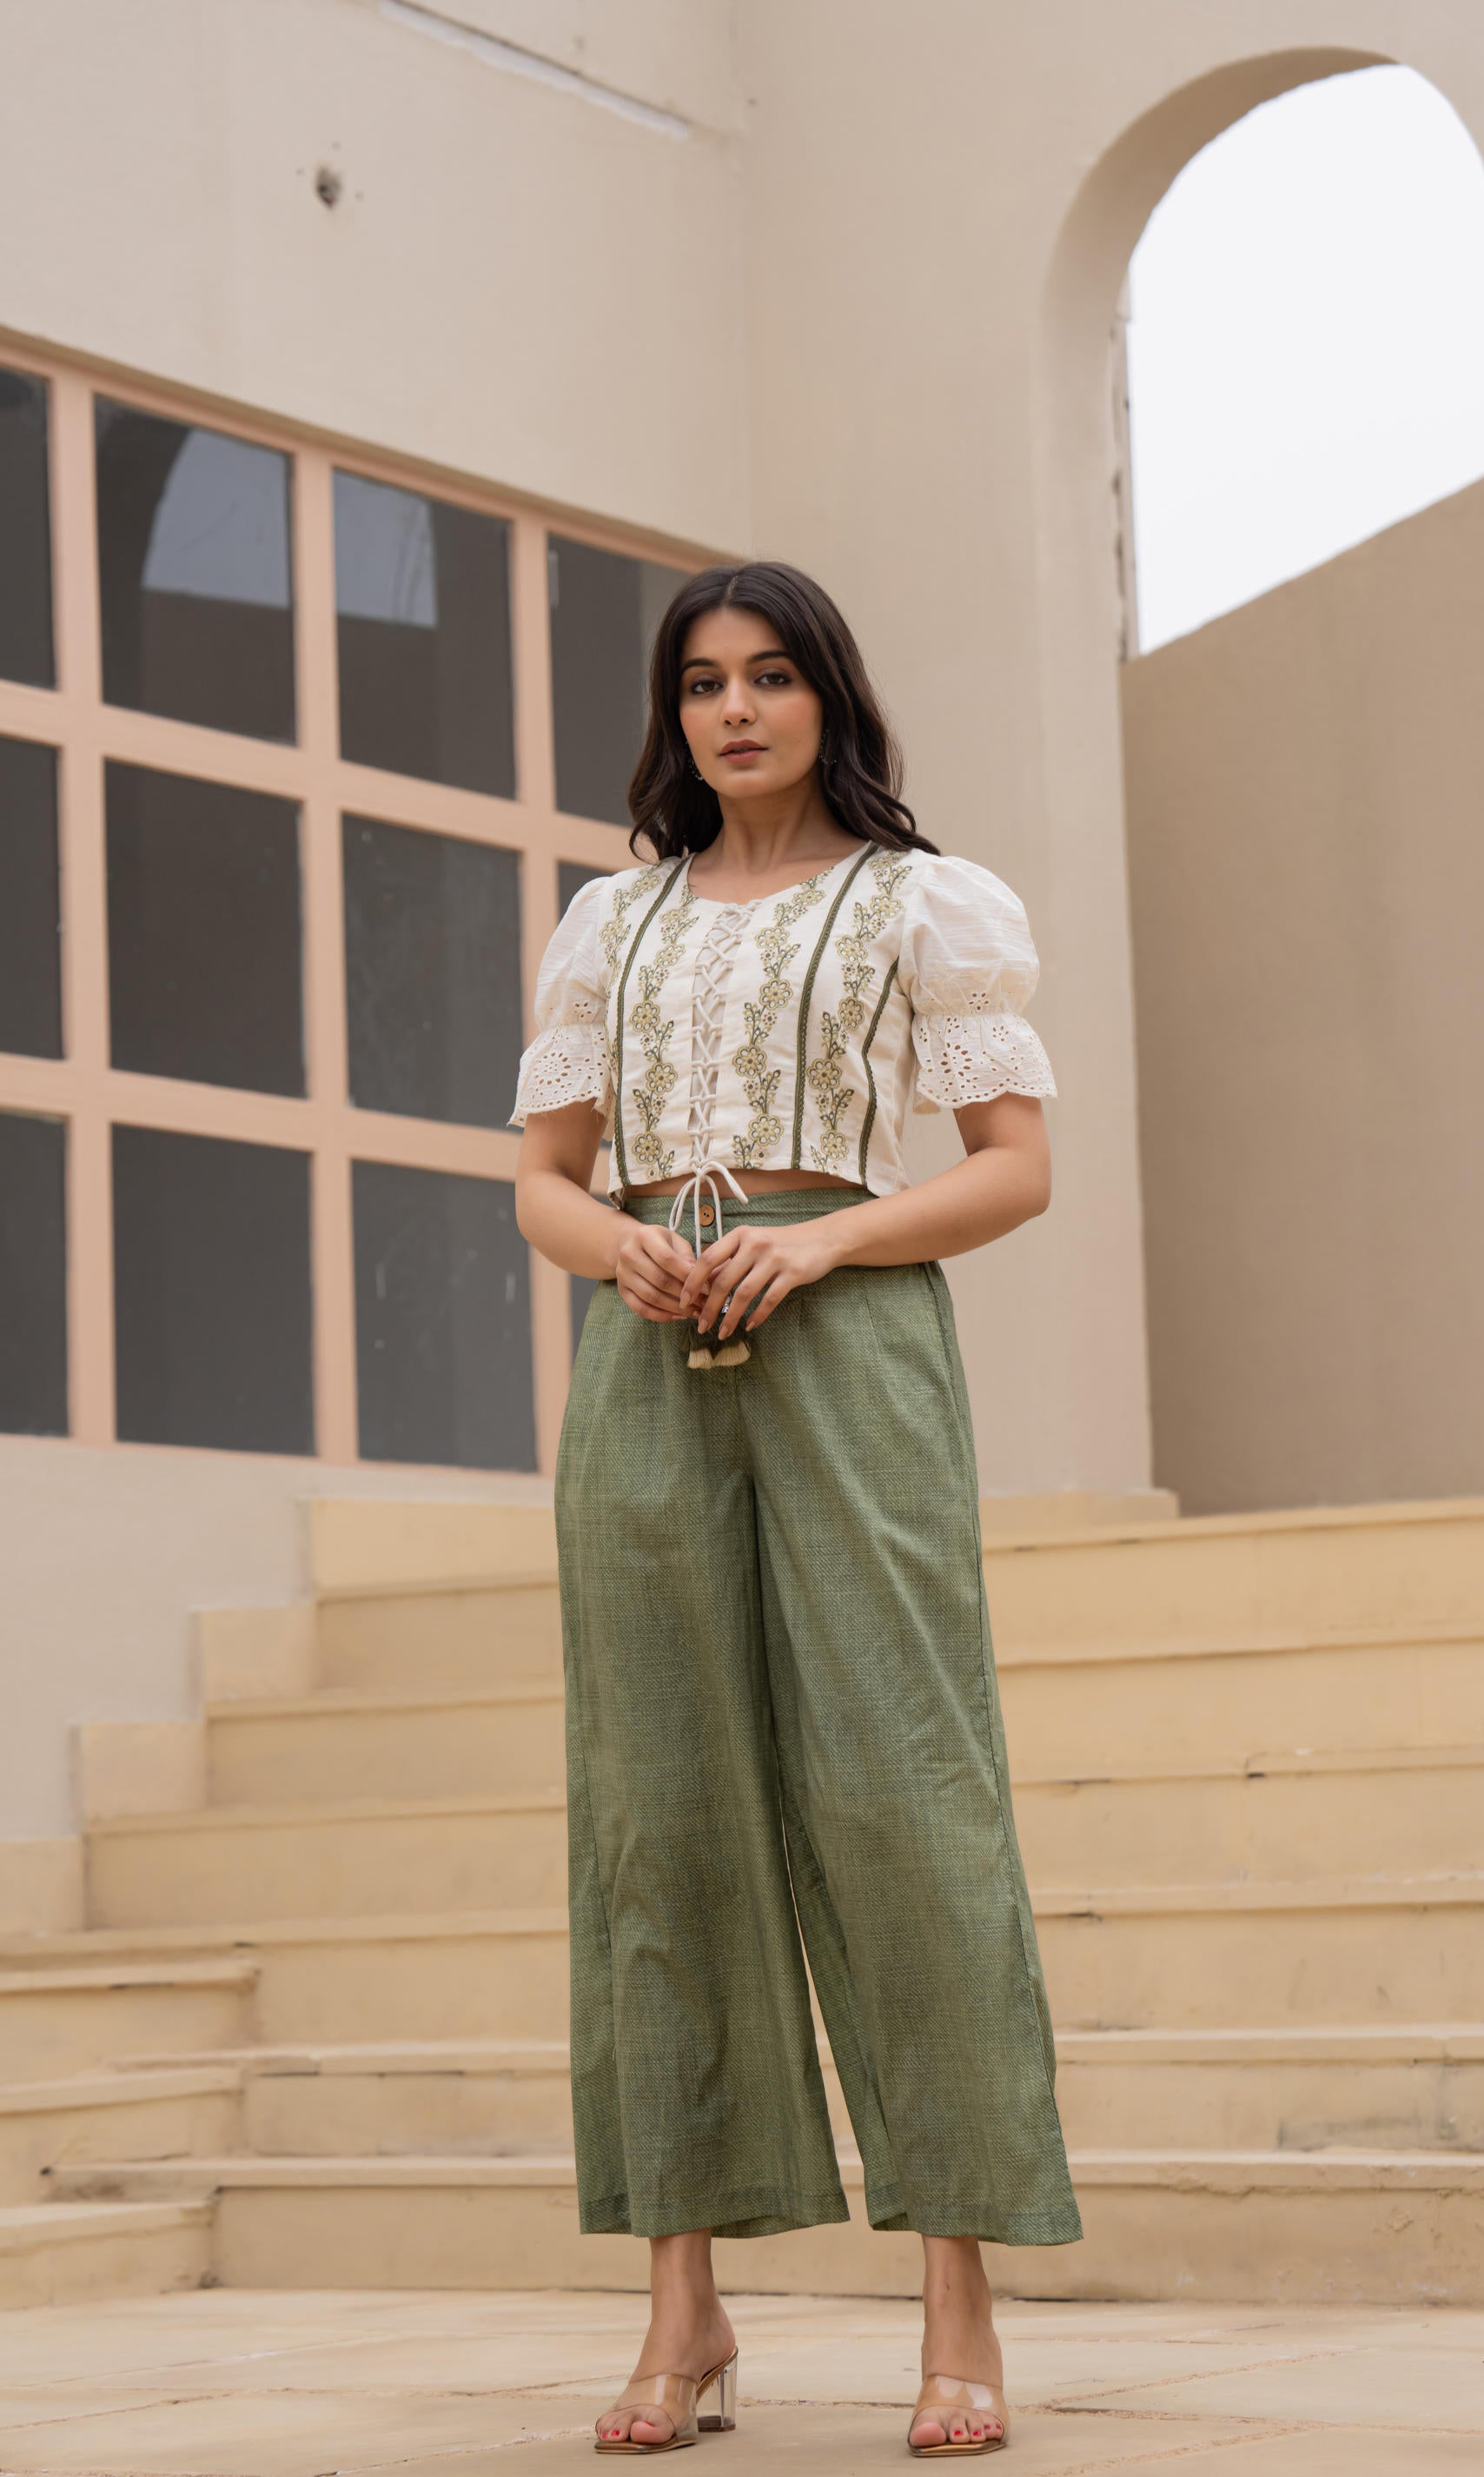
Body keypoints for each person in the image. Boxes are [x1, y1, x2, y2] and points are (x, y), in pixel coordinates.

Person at [513, 559, 1080, 2458]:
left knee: (904, 1792)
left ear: (828, 696)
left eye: (769, 676)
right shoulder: (613, 922)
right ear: (670, 714)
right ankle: (684, 2313)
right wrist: (617, 1257)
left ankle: (956, 2298)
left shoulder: (923, 904)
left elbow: (1012, 1169)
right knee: (655, 1807)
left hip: (849, 1338)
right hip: (641, 1352)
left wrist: (821, 1242)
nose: (733, 710)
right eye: (699, 683)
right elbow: (542, 1180)